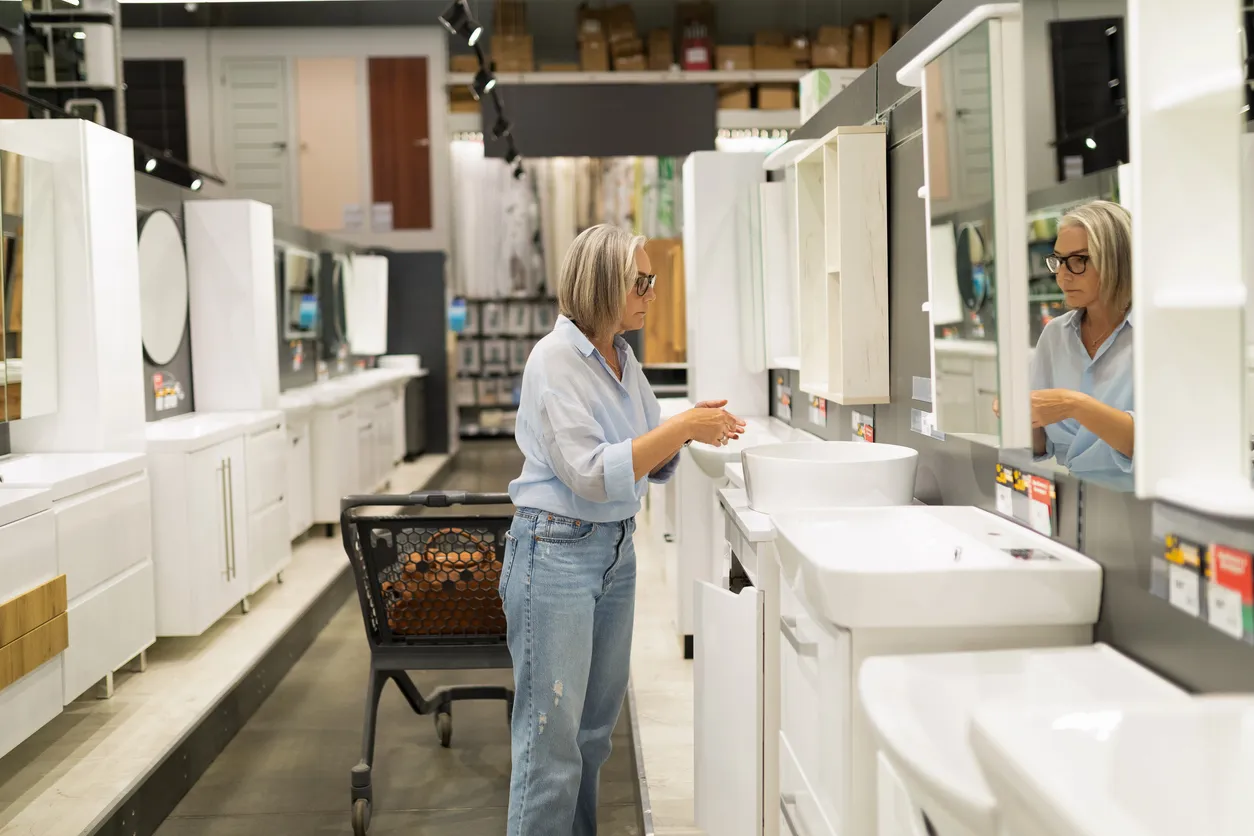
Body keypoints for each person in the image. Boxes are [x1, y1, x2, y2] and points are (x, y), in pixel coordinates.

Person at [501, 224, 745, 836]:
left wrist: (688, 429)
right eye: (641, 281)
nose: (650, 293)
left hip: (611, 553)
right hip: (554, 553)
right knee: (549, 746)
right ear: (603, 283)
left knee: (590, 736)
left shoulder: (622, 357)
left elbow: (646, 456)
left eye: (651, 281)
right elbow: (589, 472)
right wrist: (682, 428)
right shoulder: (555, 361)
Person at [1029, 199, 1135, 491]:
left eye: (1078, 261)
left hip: (1143, 509)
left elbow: (1156, 445)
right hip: (1073, 500)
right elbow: (1039, 446)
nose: (1062, 276)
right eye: (1059, 261)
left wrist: (1073, 405)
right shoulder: (1055, 337)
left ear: (1115, 259)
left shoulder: (1154, 339)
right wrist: (1023, 413)